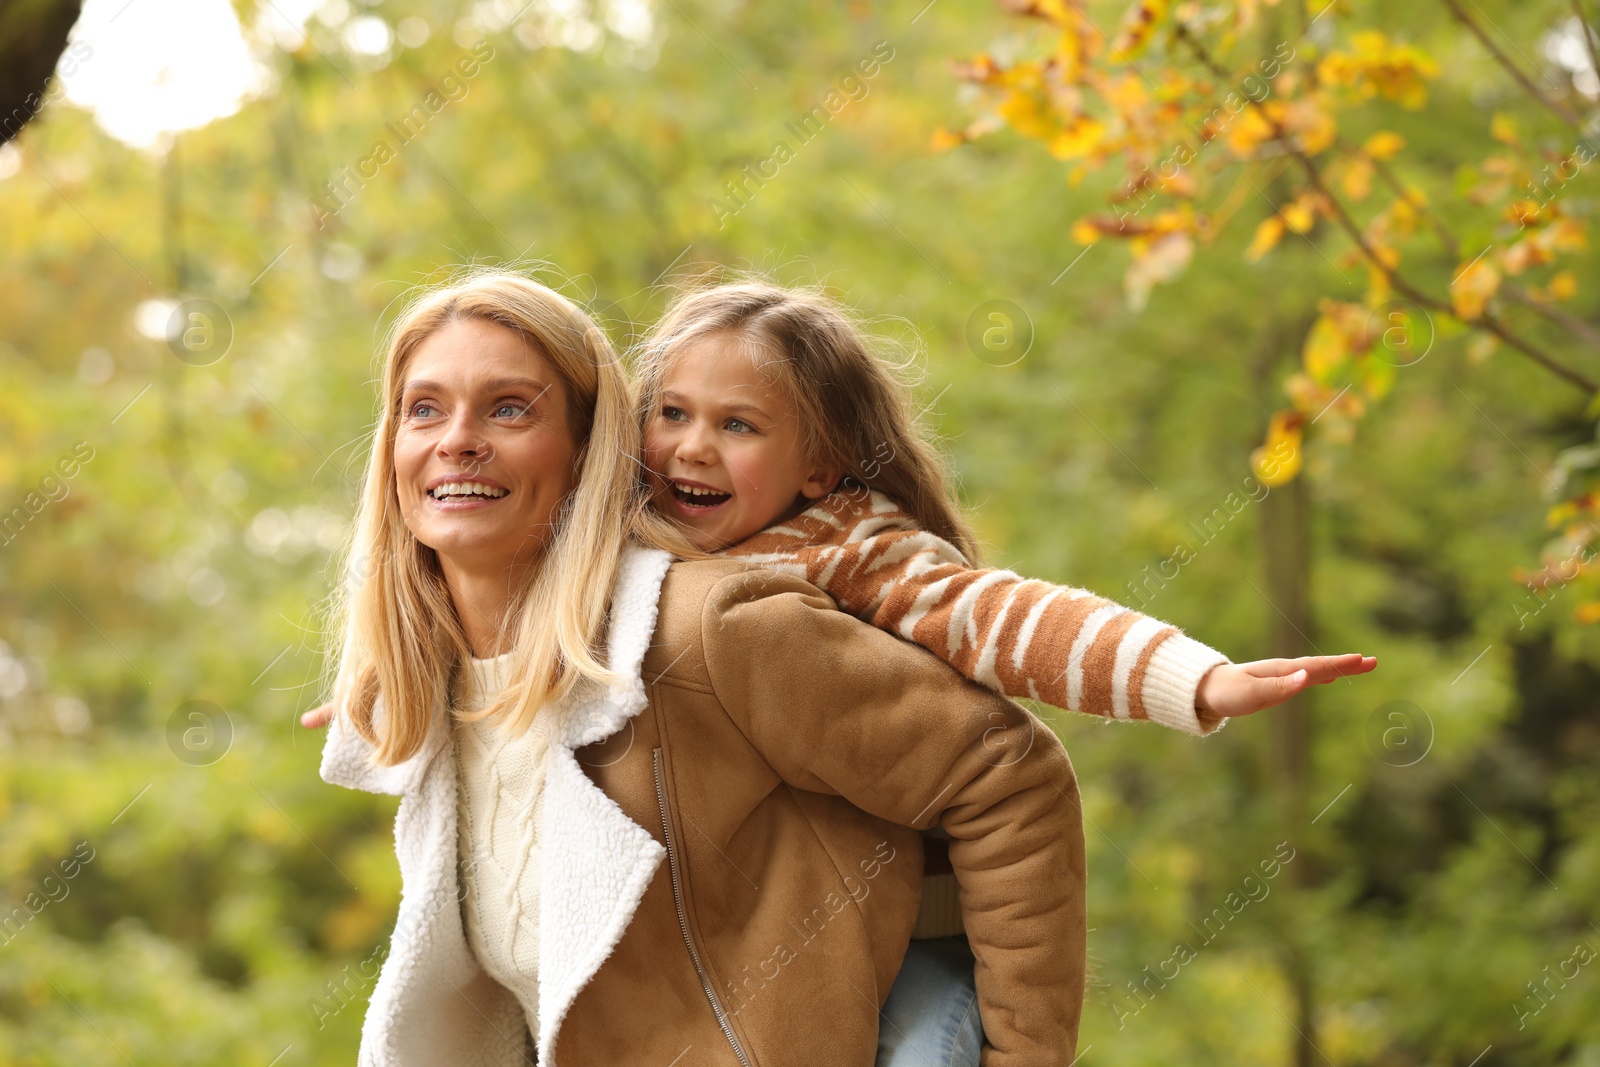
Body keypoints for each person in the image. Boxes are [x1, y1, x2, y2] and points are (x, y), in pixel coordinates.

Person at [316, 269, 1086, 1066]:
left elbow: (1008, 774)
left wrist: (1022, 1055)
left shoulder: (704, 628)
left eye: (509, 408)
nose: (457, 438)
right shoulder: (435, 695)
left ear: (592, 451)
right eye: (424, 408)